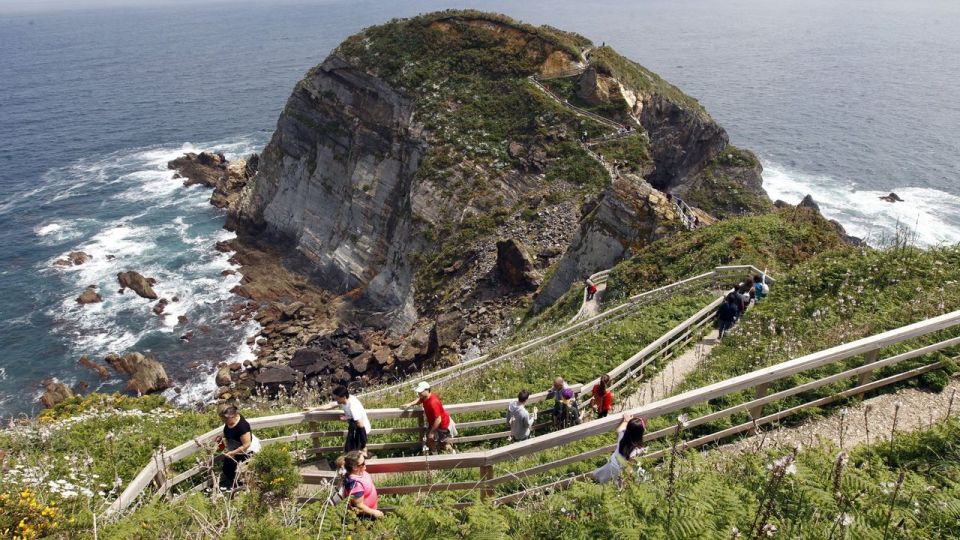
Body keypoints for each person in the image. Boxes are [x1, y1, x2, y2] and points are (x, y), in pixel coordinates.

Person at [592, 413, 646, 484]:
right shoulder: (636, 450)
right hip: (620, 469)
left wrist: (626, 421)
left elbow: (618, 430)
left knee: (605, 477)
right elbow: (629, 467)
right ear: (639, 434)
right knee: (616, 483)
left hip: (613, 461)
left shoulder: (622, 435)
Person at [216, 405, 260, 491]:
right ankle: (235, 486)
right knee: (227, 469)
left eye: (225, 419)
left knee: (239, 471)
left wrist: (233, 453)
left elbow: (246, 444)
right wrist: (220, 440)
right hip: (235, 448)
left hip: (247, 451)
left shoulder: (242, 426)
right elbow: (232, 433)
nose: (224, 421)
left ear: (233, 416)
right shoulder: (230, 422)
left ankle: (241, 487)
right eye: (223, 419)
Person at [402, 381, 454, 454]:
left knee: (444, 444)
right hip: (434, 424)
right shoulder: (426, 397)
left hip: (442, 425)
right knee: (429, 439)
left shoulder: (433, 402)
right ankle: (435, 456)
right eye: (418, 392)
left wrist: (432, 432)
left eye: (420, 392)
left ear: (427, 390)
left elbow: (438, 419)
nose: (419, 394)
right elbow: (420, 399)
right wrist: (410, 404)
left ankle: (453, 455)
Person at [336, 450, 383, 519]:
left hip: (370, 512)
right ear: (354, 467)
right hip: (366, 516)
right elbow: (359, 505)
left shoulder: (360, 473)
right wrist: (374, 512)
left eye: (365, 461)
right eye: (363, 463)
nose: (365, 465)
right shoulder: (355, 484)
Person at [332, 385, 371, 456]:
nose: (336, 400)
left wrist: (363, 444)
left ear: (343, 397)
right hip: (356, 427)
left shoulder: (352, 406)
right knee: (355, 449)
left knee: (358, 450)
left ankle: (361, 459)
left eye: (337, 398)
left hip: (361, 429)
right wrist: (314, 409)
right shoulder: (348, 398)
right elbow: (331, 405)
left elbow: (360, 423)